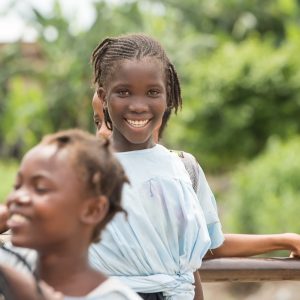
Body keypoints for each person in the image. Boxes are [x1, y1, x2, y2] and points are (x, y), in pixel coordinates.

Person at [88, 33, 225, 300]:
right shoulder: (81, 171)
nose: (139, 106)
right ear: (104, 97)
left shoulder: (181, 171)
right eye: (124, 92)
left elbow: (188, 268)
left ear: (167, 97)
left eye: (153, 92)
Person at [92, 91, 300, 259]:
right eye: (97, 122)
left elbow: (208, 244)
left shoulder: (182, 168)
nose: (101, 131)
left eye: (108, 120)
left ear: (151, 117)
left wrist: (286, 240)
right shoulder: (91, 173)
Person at [0, 129, 142, 300]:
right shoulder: (15, 262)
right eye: (17, 186)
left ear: (93, 210)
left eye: (40, 189)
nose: (17, 197)